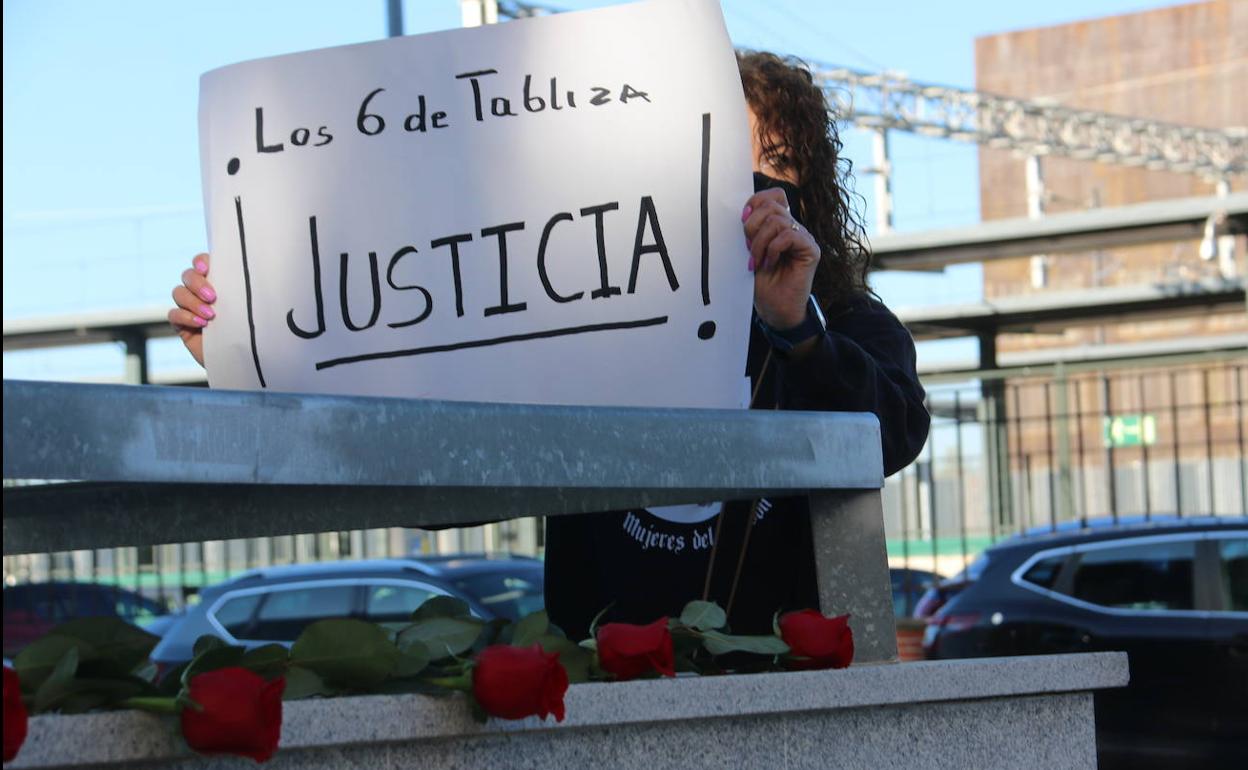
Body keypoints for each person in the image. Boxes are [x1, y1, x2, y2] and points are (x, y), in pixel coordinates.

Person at [169, 50, 929, 641]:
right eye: (723, 155)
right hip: (602, 693)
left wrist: (797, 328)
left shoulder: (848, 322)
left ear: (814, 194)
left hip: (790, 699)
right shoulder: (574, 319)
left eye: (778, 165)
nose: (751, 188)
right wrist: (263, 356)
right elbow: (436, 432)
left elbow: (891, 434)